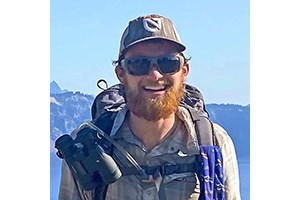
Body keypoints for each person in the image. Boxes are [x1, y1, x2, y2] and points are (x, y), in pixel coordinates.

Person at [58, 14, 241, 200]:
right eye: (138, 63)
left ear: (184, 71)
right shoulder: (84, 150)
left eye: (168, 63)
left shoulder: (214, 143)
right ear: (121, 74)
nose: (155, 75)